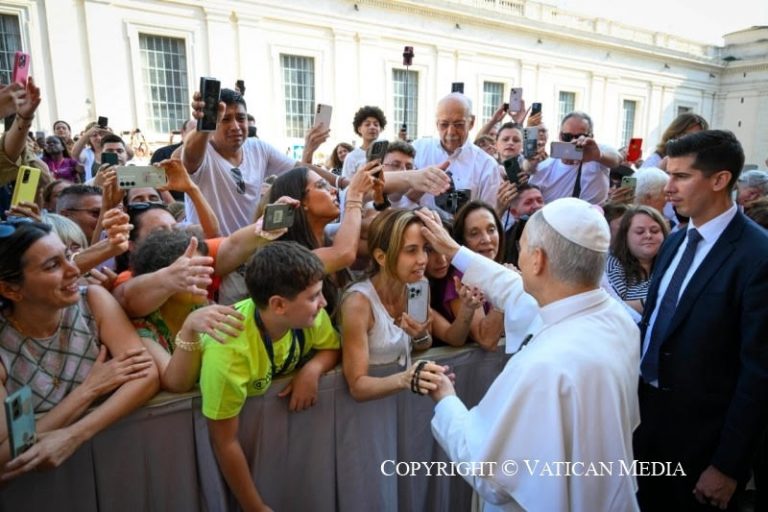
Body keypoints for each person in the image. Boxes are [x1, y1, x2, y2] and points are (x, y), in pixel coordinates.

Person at [416, 198, 641, 511]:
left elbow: (490, 473)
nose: (516, 258)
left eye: (521, 248)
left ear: (537, 260)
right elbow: (512, 287)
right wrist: (455, 252)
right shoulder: (616, 318)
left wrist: (445, 399)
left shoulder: (543, 366)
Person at [634, 130, 768, 511]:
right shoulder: (674, 241)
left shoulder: (758, 256)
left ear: (720, 180)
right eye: (668, 174)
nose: (668, 187)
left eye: (681, 176)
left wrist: (727, 465)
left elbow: (759, 373)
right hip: (645, 423)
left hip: (704, 445)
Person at [0, 220, 159, 479]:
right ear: (10, 289)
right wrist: (89, 390)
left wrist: (74, 434)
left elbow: (146, 375)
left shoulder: (93, 300)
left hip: (114, 467)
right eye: (52, 265)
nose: (74, 270)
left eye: (67, 256)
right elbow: (7, 456)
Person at [200, 241, 340, 512]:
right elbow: (224, 442)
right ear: (278, 305)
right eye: (314, 297)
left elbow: (331, 347)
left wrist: (313, 369)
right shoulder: (228, 351)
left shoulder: (310, 315)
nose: (323, 303)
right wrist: (255, 507)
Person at [341, 209, 476, 401]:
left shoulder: (419, 286)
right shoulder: (357, 303)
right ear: (381, 257)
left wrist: (419, 336)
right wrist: (405, 379)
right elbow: (357, 386)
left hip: (402, 405)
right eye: (411, 250)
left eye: (425, 249)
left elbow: (424, 344)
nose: (423, 260)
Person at [183, 88, 297, 235]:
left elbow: (299, 170)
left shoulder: (259, 148)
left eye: (241, 118)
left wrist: (333, 180)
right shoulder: (201, 153)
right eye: (225, 119)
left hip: (247, 245)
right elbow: (190, 156)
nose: (235, 127)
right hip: (209, 247)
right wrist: (205, 125)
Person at [411, 93, 502, 211]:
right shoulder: (418, 150)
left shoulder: (487, 165)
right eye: (444, 125)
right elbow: (399, 198)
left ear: (471, 123)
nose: (451, 132)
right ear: (437, 124)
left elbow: (487, 214)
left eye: (459, 125)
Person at [528, 111, 621, 205]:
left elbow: (617, 158)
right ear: (560, 136)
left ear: (591, 137)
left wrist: (599, 156)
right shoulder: (544, 168)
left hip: (592, 212)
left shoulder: (597, 150)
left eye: (580, 137)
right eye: (567, 137)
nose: (573, 141)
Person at [606, 205, 669, 313]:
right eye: (640, 232)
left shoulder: (673, 261)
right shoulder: (613, 266)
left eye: (654, 231)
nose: (648, 235)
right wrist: (654, 303)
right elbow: (612, 307)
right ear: (625, 236)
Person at [641, 113, 708, 170]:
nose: (694, 140)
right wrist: (659, 170)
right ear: (675, 134)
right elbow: (636, 181)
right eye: (688, 135)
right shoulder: (656, 160)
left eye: (698, 137)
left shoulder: (701, 163)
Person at [341, 106, 387, 180]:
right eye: (367, 124)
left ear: (381, 129)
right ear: (359, 129)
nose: (372, 127)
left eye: (376, 124)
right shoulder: (351, 157)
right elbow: (346, 184)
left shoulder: (388, 153)